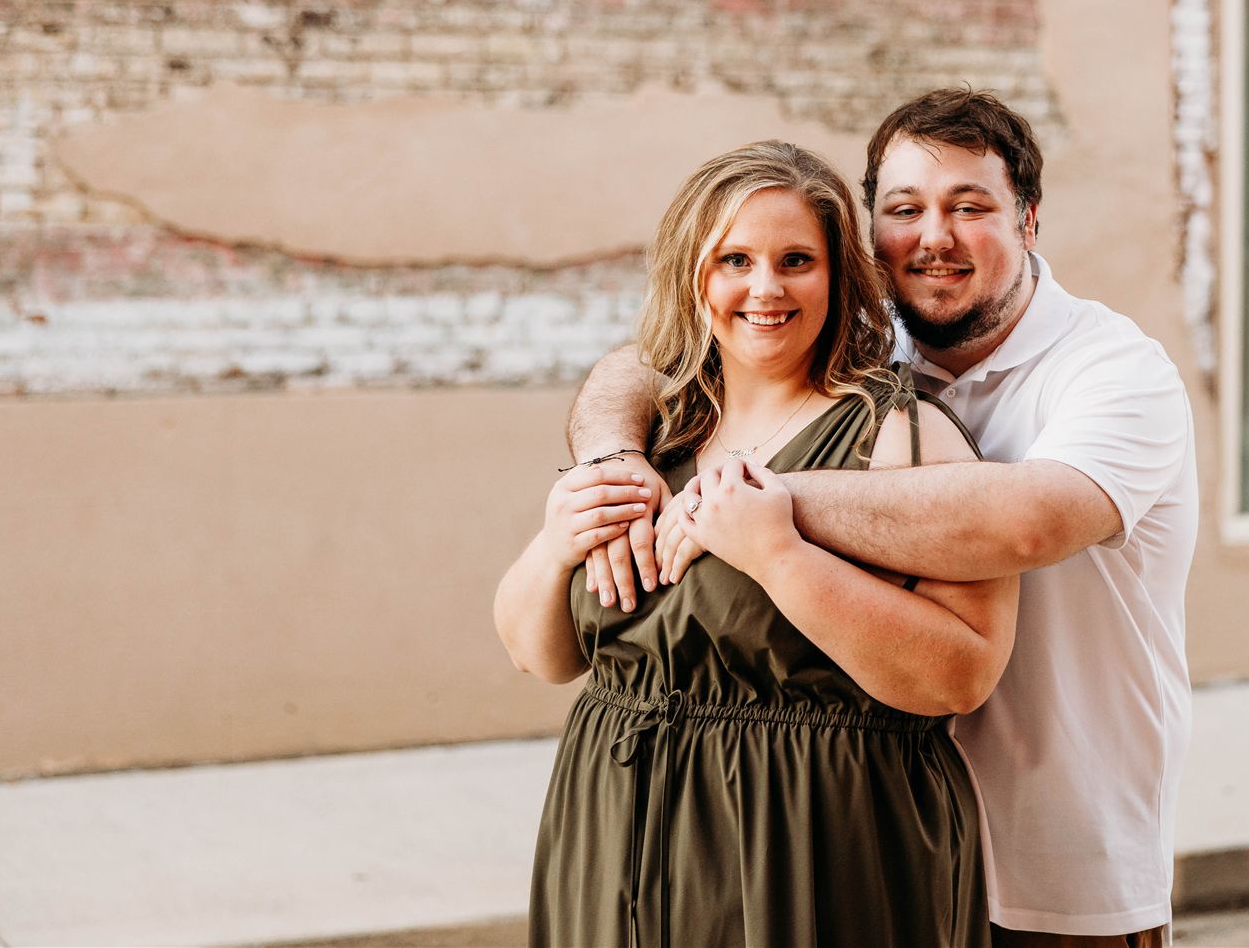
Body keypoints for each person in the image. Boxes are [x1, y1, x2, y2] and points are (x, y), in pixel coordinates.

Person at [570, 89, 1197, 948]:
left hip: (1055, 871)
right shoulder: (867, 352)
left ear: (1029, 220)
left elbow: (1025, 521)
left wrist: (768, 498)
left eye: (969, 206)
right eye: (905, 209)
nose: (934, 236)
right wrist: (610, 453)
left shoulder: (1113, 370)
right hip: (885, 838)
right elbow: (649, 360)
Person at [494, 140, 1017, 948]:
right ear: (693, 274)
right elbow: (543, 656)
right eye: (734, 259)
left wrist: (780, 558)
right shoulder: (657, 428)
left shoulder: (902, 436)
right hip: (612, 837)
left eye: (796, 260)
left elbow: (962, 673)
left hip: (813, 847)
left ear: (838, 276)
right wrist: (557, 543)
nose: (765, 287)